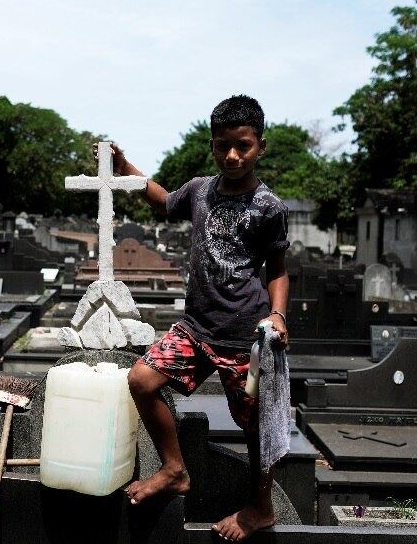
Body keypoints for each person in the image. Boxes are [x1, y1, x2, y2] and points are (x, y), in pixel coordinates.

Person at [104, 94, 290, 542]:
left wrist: (279, 315)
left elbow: (278, 269)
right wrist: (127, 169)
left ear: (260, 146)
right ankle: (174, 469)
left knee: (256, 424)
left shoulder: (269, 207)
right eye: (223, 145)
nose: (232, 156)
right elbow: (165, 202)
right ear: (212, 145)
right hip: (196, 327)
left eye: (242, 146)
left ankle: (260, 508)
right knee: (142, 380)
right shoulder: (201, 189)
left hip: (245, 334)